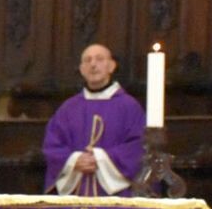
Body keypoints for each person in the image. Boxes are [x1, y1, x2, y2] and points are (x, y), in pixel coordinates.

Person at [42, 42, 145, 196]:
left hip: (116, 196)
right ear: (82, 69)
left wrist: (100, 159)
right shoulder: (68, 108)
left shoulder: (129, 106)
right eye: (87, 60)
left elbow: (138, 146)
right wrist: (74, 161)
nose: (93, 64)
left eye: (99, 59)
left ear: (111, 66)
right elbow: (52, 146)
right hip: (76, 193)